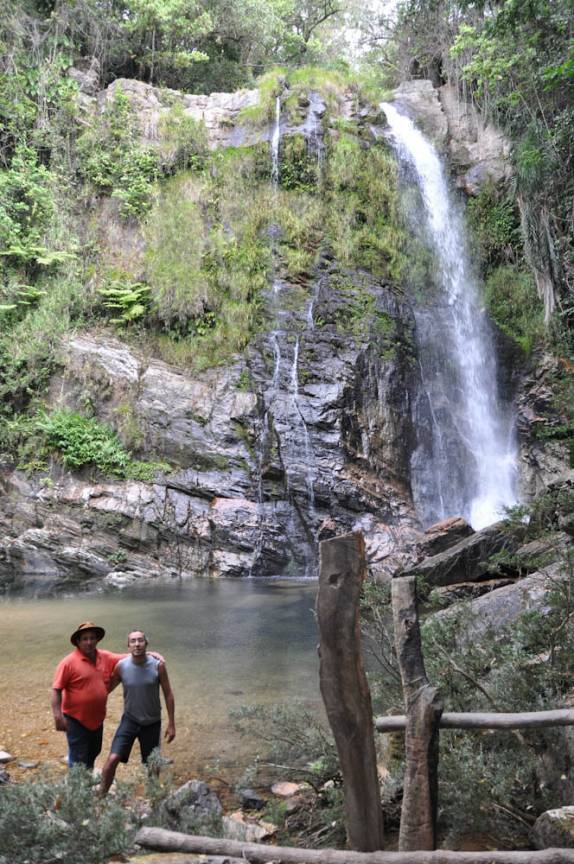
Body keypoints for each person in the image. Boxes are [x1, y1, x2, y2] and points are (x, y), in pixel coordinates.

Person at [99, 629, 175, 795]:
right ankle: (101, 796)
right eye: (133, 641)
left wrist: (171, 723)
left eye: (140, 640)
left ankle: (153, 798)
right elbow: (105, 690)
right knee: (112, 759)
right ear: (128, 645)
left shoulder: (158, 665)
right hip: (130, 720)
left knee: (152, 765)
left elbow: (168, 694)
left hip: (152, 722)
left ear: (146, 644)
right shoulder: (121, 666)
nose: (137, 644)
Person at [51, 621, 125, 771]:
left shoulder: (105, 656)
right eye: (85, 638)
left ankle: (86, 782)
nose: (89, 642)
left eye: (92, 638)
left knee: (94, 751)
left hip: (97, 719)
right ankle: (77, 789)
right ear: (78, 642)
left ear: (97, 639)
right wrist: (58, 716)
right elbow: (56, 690)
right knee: (78, 757)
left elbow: (127, 658)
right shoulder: (68, 663)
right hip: (75, 719)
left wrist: (150, 654)